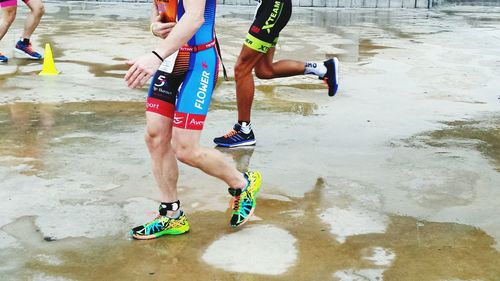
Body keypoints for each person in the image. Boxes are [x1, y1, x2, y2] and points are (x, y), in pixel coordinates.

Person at [125, 0, 262, 240]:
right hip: (171, 59)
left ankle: (242, 184)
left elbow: (196, 17)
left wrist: (155, 55)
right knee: (156, 136)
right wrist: (154, 26)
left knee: (185, 149)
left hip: (199, 62)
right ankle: (172, 215)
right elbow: (159, 8)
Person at [213, 0, 339, 147]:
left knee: (242, 68)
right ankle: (323, 69)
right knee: (264, 70)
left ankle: (244, 130)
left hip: (274, 7)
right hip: (268, 8)